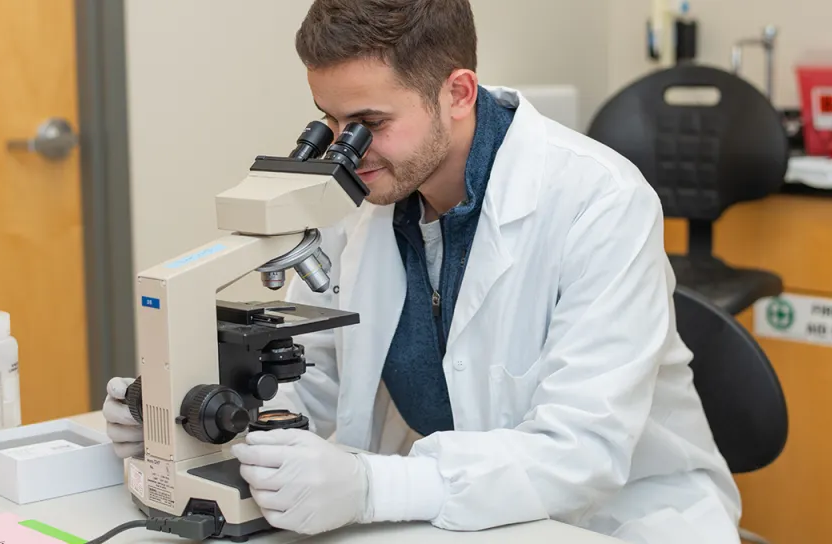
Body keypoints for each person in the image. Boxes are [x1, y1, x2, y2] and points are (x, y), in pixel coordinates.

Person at [103, 1, 743, 542]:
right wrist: (195, 420)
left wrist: (372, 484)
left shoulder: (600, 202)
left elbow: (582, 453)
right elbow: (314, 381)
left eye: (368, 125)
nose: (344, 148)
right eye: (329, 120)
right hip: (454, 516)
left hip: (618, 518)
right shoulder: (364, 194)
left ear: (458, 92)